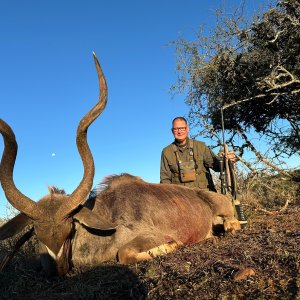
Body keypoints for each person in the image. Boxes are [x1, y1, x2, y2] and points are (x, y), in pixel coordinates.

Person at [160, 117, 234, 191]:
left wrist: (227, 161)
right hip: (181, 198)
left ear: (187, 129)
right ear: (172, 131)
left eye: (182, 128)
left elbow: (217, 167)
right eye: (176, 129)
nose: (179, 131)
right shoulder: (166, 152)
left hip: (205, 195)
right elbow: (165, 180)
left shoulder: (201, 146)